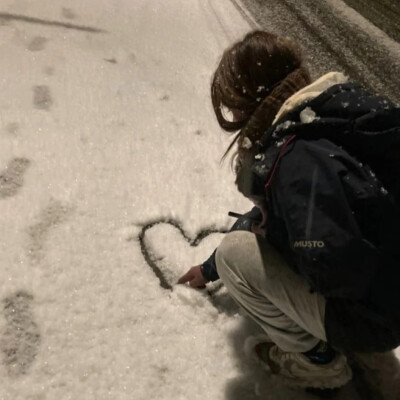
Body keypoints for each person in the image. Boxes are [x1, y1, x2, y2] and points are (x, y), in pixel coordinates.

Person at [178, 30, 400, 389]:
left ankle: (319, 363)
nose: (233, 112)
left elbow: (335, 264)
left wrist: (280, 241)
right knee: (241, 241)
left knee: (236, 254)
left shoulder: (296, 157)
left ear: (253, 97)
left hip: (374, 314)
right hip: (387, 292)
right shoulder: (321, 118)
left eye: (234, 102)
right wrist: (212, 264)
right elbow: (313, 216)